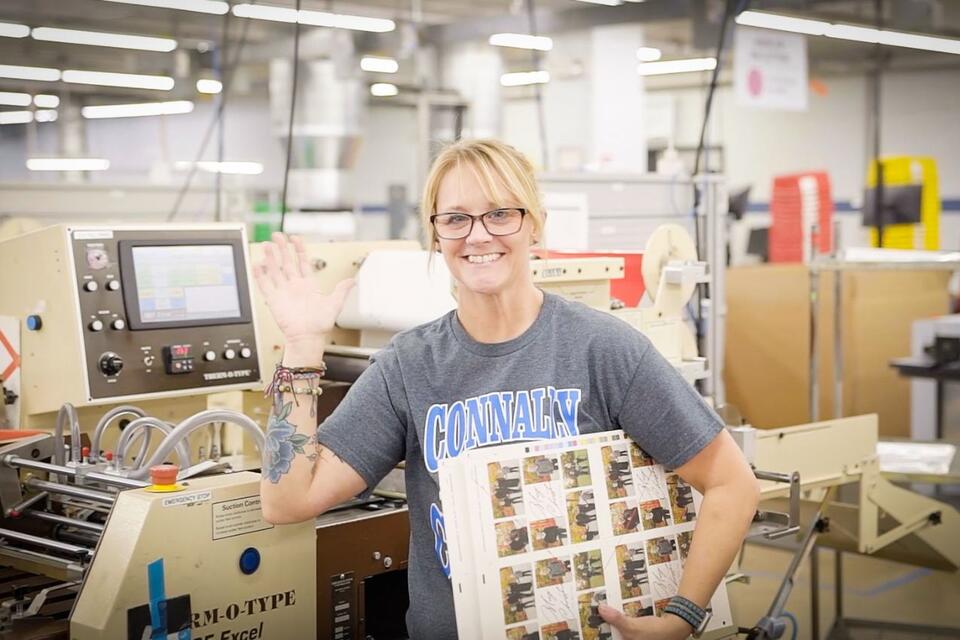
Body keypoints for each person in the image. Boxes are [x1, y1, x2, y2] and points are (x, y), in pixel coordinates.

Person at [254, 138, 760, 640]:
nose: (477, 236)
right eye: (455, 219)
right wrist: (301, 348)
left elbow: (731, 483)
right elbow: (288, 502)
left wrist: (683, 617)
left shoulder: (602, 349)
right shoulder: (410, 365)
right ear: (435, 236)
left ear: (534, 224)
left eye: (500, 214)